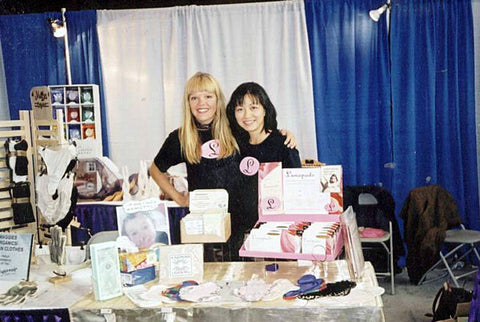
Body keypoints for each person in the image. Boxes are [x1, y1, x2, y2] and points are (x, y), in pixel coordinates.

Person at [226, 82, 301, 243]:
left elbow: (297, 192)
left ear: (265, 110)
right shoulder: (234, 146)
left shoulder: (284, 144)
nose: (246, 115)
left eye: (253, 107)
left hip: (275, 236)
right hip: (239, 236)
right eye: (240, 109)